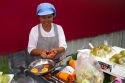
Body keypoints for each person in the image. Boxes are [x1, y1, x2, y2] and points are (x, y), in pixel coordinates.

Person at [16, 3, 67, 83]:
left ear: (53, 16)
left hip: (57, 64)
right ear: (39, 17)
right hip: (40, 67)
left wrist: (56, 51)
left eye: (49, 17)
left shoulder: (59, 28)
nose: (46, 20)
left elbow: (63, 46)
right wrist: (41, 52)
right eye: (43, 17)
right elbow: (30, 49)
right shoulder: (34, 30)